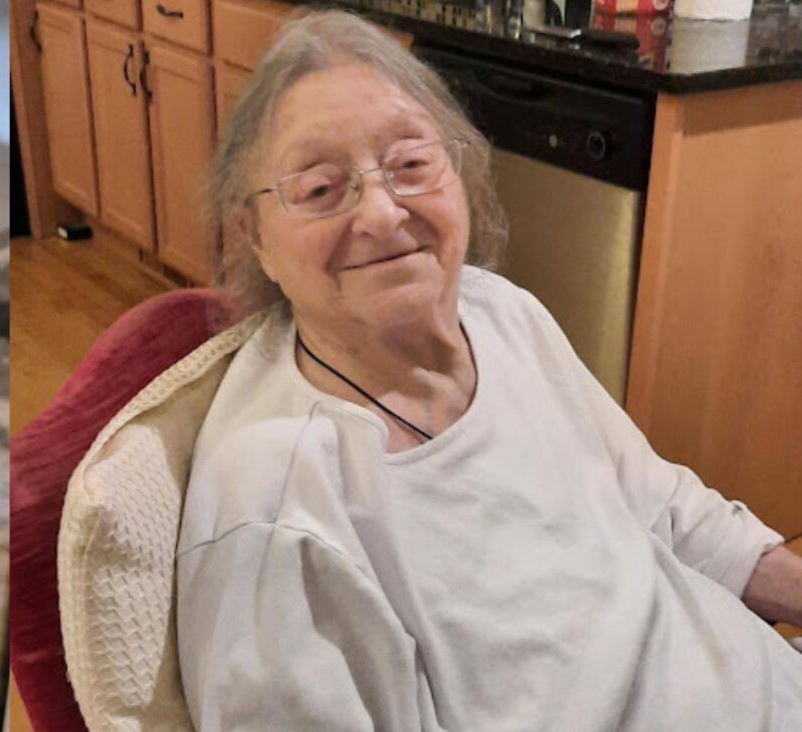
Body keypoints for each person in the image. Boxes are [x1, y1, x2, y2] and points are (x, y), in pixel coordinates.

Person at [174, 11, 802, 730]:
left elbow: (658, 506)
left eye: (410, 165)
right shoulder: (277, 512)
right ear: (254, 237)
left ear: (460, 170)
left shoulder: (502, 314)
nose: (381, 212)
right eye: (320, 189)